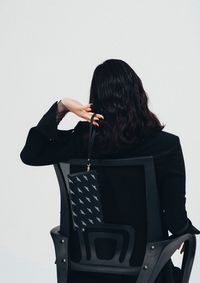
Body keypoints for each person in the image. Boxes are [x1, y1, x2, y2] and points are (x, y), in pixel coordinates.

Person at [20, 59, 199, 283]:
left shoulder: (82, 140)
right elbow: (175, 218)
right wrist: (186, 231)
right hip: (145, 272)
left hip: (84, 273)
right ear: (138, 94)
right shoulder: (165, 145)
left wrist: (62, 106)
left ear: (95, 98)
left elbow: (31, 154)